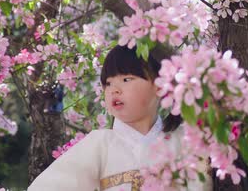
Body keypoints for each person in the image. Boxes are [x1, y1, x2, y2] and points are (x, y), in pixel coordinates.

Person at [28, 45, 211, 190]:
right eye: (108, 83)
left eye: (126, 79)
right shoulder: (100, 144)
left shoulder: (184, 140)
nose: (114, 89)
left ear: (160, 86)